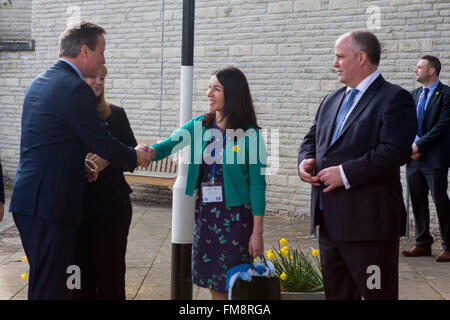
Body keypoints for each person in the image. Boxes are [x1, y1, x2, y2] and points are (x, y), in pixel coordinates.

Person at [9, 21, 152, 300]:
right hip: (51, 206)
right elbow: (103, 142)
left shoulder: (40, 82)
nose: (103, 60)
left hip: (30, 201)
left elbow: (50, 144)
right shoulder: (75, 88)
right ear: (85, 51)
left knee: (43, 282)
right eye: (102, 52)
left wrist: (79, 165)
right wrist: (136, 155)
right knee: (54, 288)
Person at [298, 31, 417, 300]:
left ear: (361, 57)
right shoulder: (331, 100)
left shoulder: (395, 98)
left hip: (369, 228)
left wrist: (344, 173)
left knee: (377, 294)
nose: (334, 63)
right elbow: (311, 138)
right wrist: (304, 161)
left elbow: (394, 152)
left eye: (340, 56)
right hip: (329, 223)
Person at [148, 66, 267, 300]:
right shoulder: (200, 125)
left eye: (216, 89)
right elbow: (168, 145)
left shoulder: (250, 135)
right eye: (208, 87)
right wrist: (142, 153)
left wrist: (257, 232)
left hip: (236, 220)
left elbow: (257, 185)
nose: (208, 94)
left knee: (234, 281)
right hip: (206, 215)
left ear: (232, 93)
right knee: (214, 282)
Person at [75, 64, 138, 300]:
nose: (98, 82)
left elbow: (132, 156)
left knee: (112, 272)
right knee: (80, 273)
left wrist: (108, 160)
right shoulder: (69, 115)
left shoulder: (116, 114)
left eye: (101, 78)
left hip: (113, 206)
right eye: (92, 77)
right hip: (78, 207)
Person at [402, 56, 450, 262]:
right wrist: (411, 147)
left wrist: (419, 146)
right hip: (414, 159)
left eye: (419, 67)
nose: (415, 70)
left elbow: (443, 125)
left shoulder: (446, 94)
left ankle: (449, 246)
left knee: (440, 200)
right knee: (417, 199)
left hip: (435, 158)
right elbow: (406, 123)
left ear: (432, 71)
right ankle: (422, 243)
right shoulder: (413, 95)